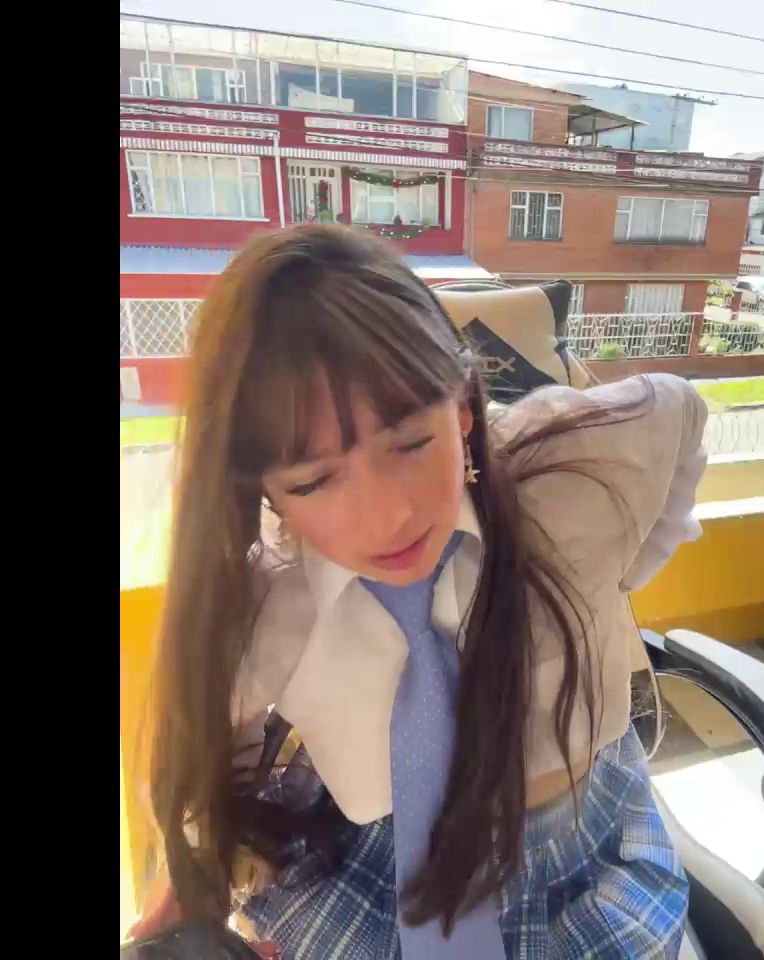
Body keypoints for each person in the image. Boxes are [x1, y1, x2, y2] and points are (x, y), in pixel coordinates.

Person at [130, 224, 708, 958]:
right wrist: (204, 859)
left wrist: (619, 574)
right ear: (264, 490)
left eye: (409, 442)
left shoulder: (573, 479)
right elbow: (212, 751)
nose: (387, 516)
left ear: (462, 406)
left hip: (579, 858)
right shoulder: (269, 611)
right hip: (378, 869)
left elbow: (679, 416)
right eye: (313, 480)